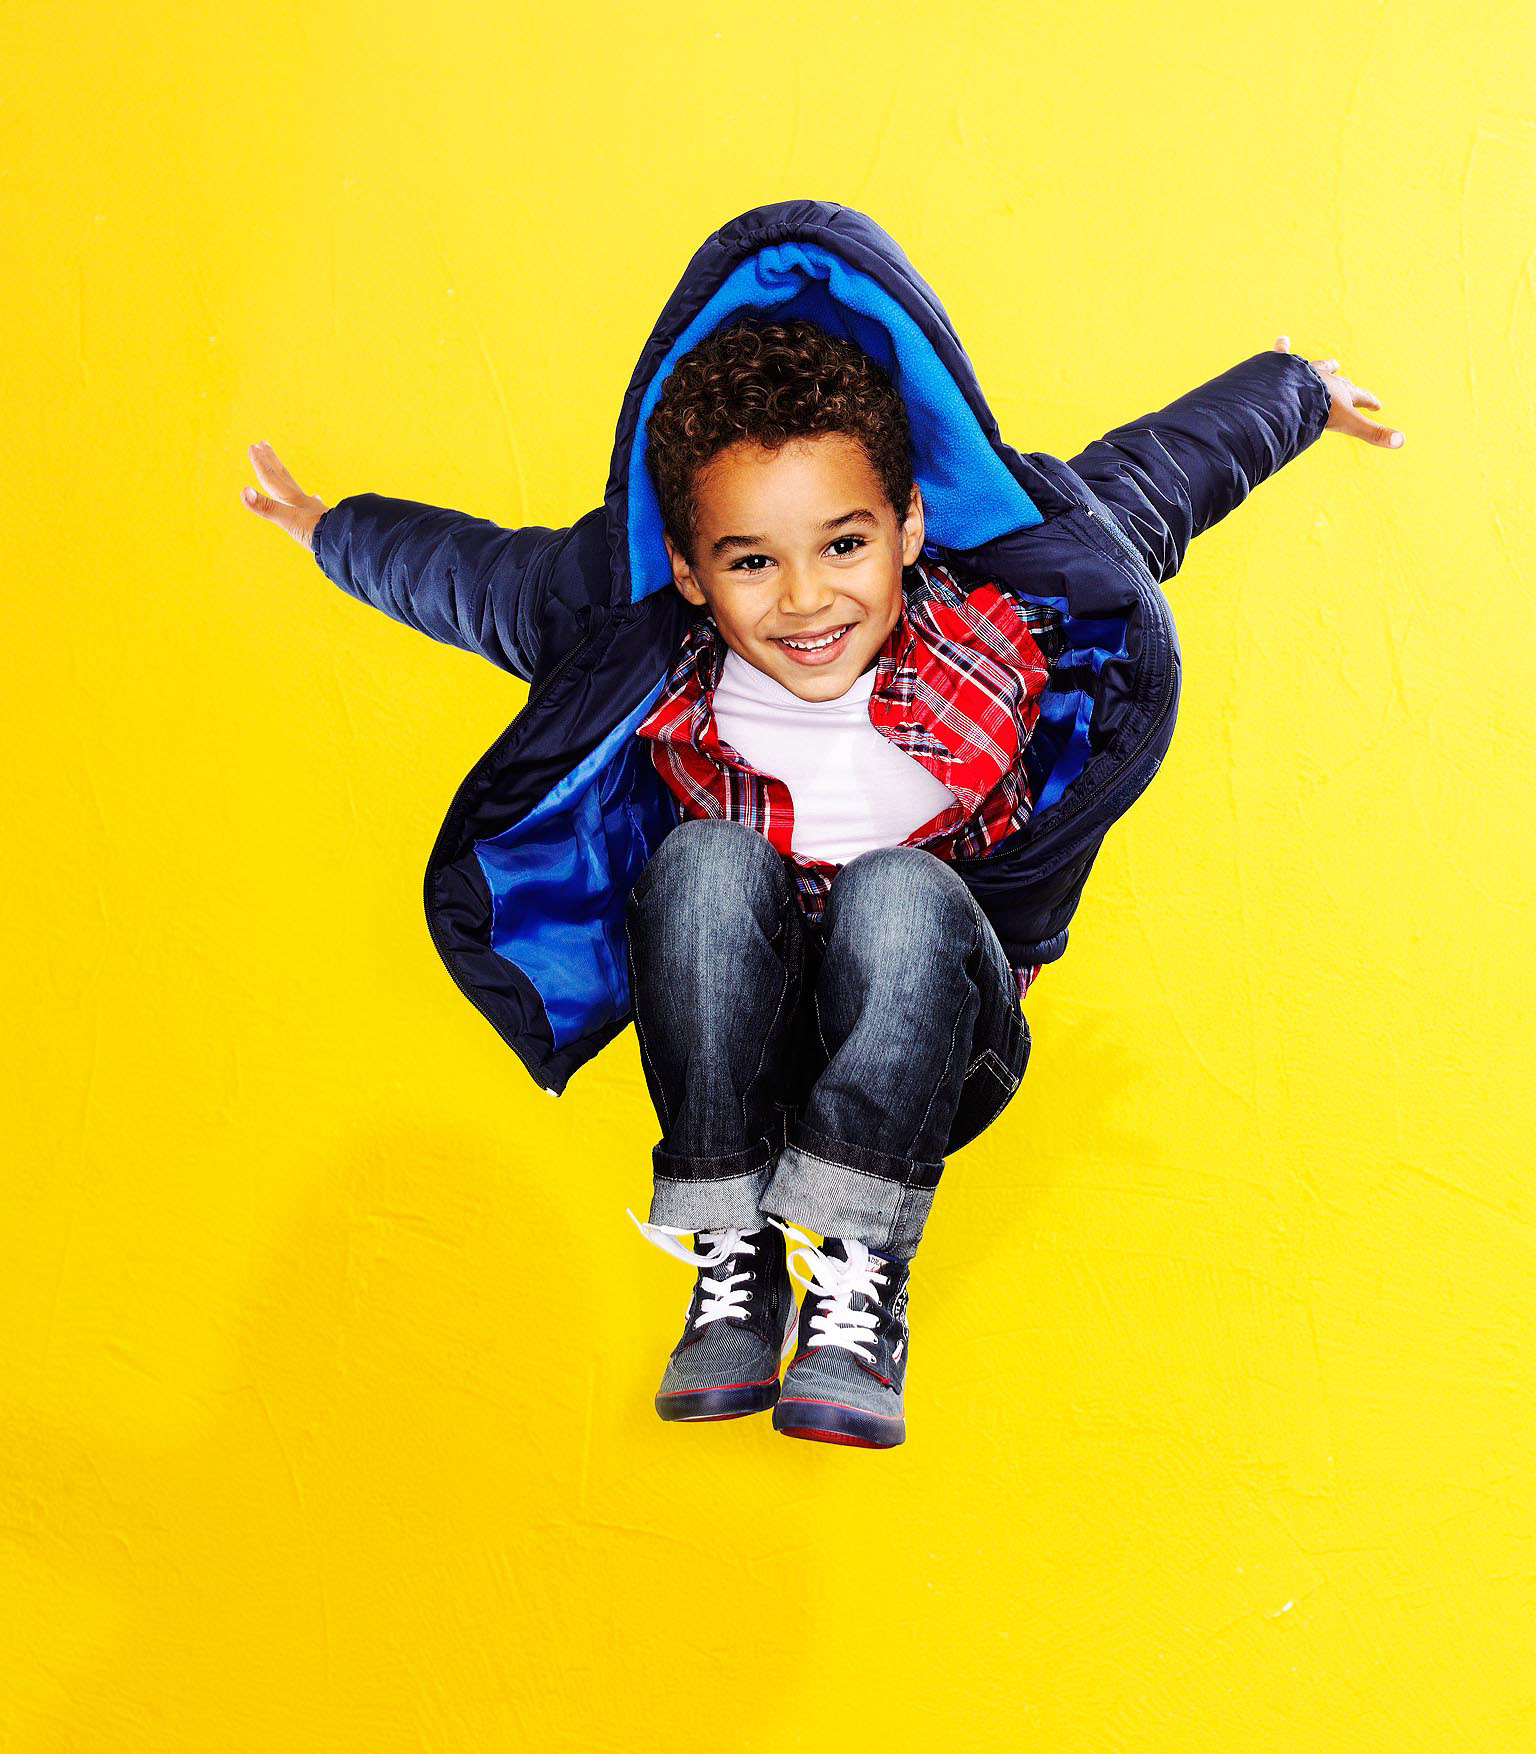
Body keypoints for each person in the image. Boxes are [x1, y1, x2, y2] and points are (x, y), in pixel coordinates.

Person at [242, 200, 1402, 1451]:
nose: (805, 599)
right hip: (742, 1032)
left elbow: (1166, 472)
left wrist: (1297, 390)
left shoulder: (1012, 605)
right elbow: (470, 577)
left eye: (844, 544)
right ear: (689, 567)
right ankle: (730, 1244)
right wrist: (327, 528)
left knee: (895, 890)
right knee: (700, 862)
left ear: (909, 526)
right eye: (752, 562)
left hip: (939, 1034)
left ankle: (858, 1270)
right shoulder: (630, 636)